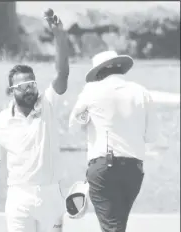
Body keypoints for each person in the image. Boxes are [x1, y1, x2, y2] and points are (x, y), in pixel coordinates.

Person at [0, 11, 69, 232]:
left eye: (32, 84)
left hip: (50, 195)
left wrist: (59, 36)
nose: (29, 90)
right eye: (22, 86)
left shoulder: (48, 105)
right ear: (11, 91)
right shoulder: (0, 121)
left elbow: (62, 73)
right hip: (19, 197)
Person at [69, 50, 159, 232]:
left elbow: (73, 127)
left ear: (99, 72)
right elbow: (152, 136)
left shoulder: (91, 90)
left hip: (104, 168)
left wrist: (88, 117)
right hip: (134, 170)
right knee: (117, 225)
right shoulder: (141, 92)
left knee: (112, 227)